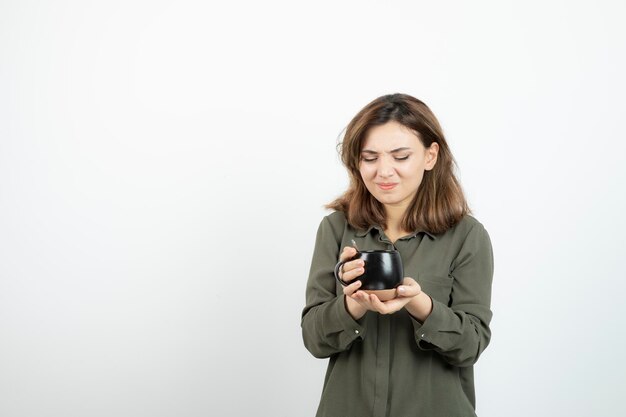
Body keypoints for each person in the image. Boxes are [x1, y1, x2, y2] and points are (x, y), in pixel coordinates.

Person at [301, 93, 494, 417]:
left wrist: (420, 304)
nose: (383, 171)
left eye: (400, 156)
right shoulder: (336, 229)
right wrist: (353, 303)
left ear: (430, 155)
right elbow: (314, 339)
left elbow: (471, 344)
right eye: (370, 157)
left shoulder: (467, 236)